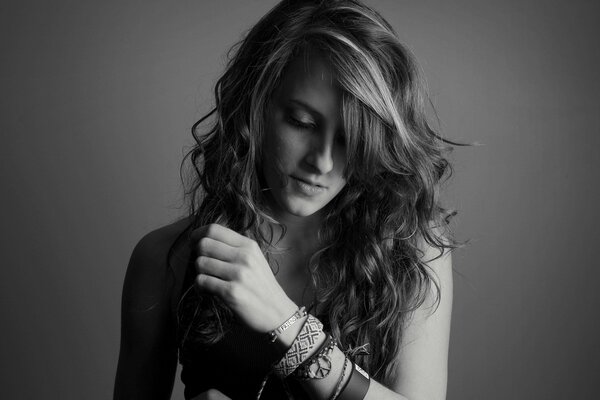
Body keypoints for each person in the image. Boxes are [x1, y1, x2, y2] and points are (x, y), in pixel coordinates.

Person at [114, 0, 456, 399]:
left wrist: (288, 325)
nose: (321, 162)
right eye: (302, 123)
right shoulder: (165, 260)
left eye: (351, 139)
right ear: (255, 105)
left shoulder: (414, 248)